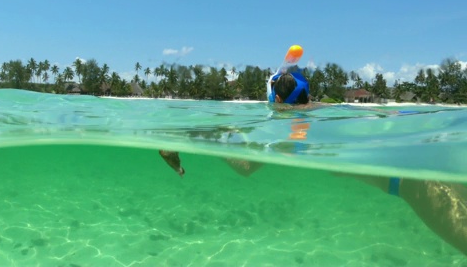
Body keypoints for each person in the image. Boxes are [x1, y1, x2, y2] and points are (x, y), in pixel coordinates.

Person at [161, 71, 467, 256]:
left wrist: (198, 137)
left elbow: (247, 166)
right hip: (432, 156)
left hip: (413, 183)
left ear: (277, 101)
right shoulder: (331, 109)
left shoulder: (294, 128)